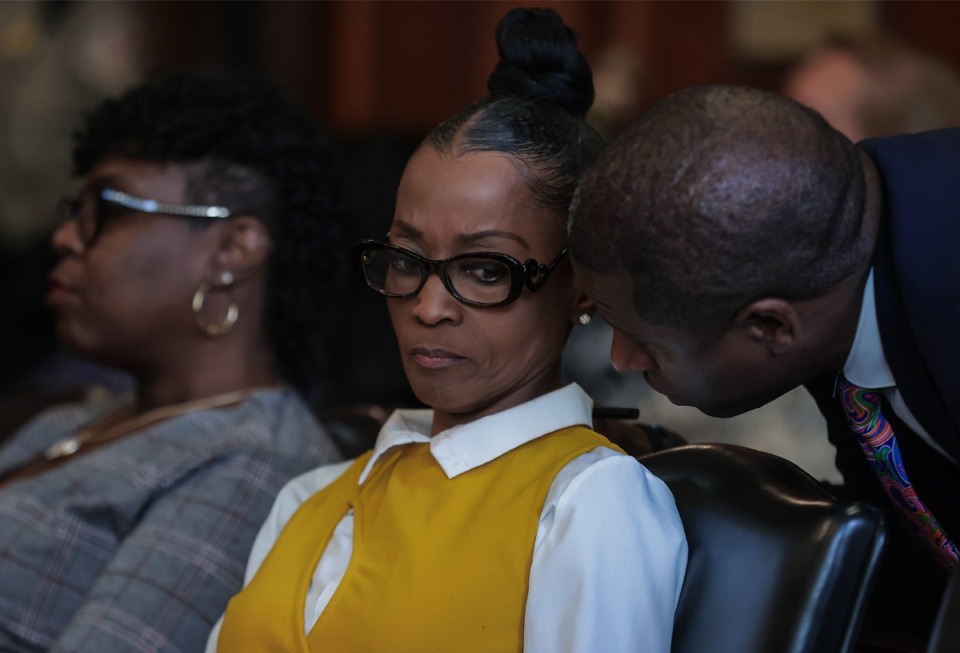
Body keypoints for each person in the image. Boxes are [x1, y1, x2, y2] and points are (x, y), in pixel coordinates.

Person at [207, 8, 687, 653]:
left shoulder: (589, 502)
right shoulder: (310, 497)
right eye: (407, 261)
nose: (430, 307)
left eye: (486, 271)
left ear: (579, 288)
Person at [568, 83, 959, 640]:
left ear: (771, 327)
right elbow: (918, 544)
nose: (622, 360)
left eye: (644, 340)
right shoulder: (828, 246)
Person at [0, 72, 345, 652]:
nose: (64, 237)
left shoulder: (255, 462)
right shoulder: (75, 419)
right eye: (71, 210)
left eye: (103, 209)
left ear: (231, 250)